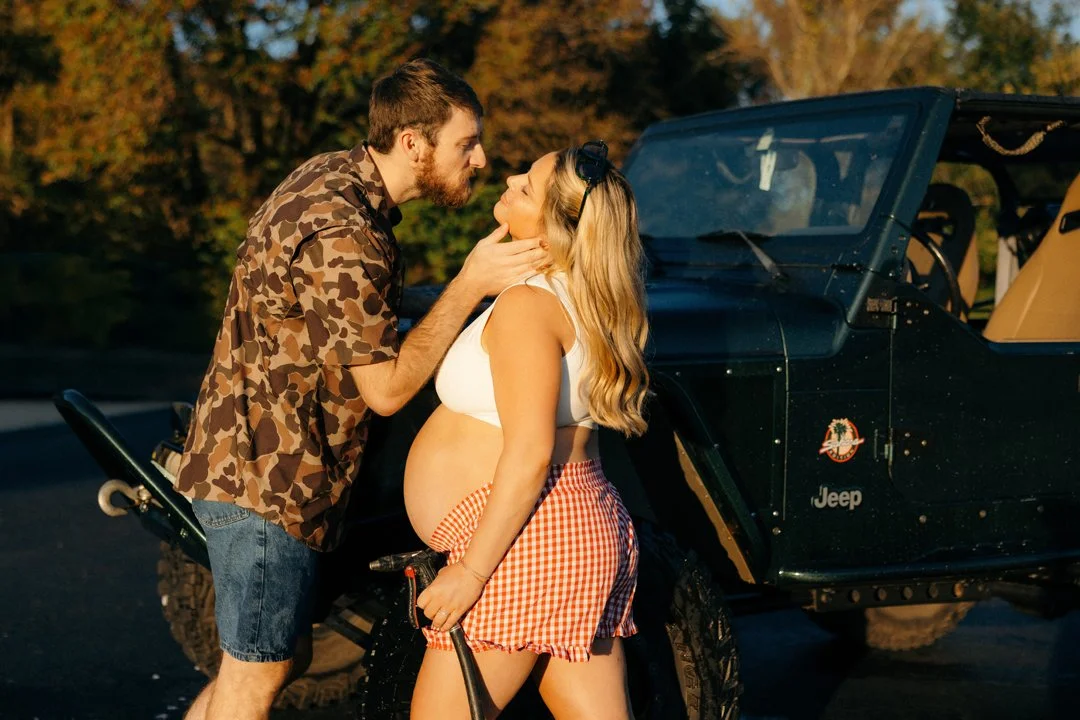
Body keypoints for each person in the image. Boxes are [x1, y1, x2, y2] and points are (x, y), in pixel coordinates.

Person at [173, 58, 546, 720]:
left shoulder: (329, 178)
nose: (482, 159)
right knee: (255, 679)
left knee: (274, 662)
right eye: (466, 143)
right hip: (268, 480)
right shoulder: (346, 231)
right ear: (413, 142)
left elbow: (342, 325)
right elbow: (386, 391)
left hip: (255, 468)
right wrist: (470, 284)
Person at [403, 140, 650, 719]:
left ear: (556, 226)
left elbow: (533, 452)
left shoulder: (528, 307)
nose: (510, 175)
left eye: (528, 185)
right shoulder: (591, 299)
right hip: (575, 527)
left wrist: (470, 572)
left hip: (523, 543)